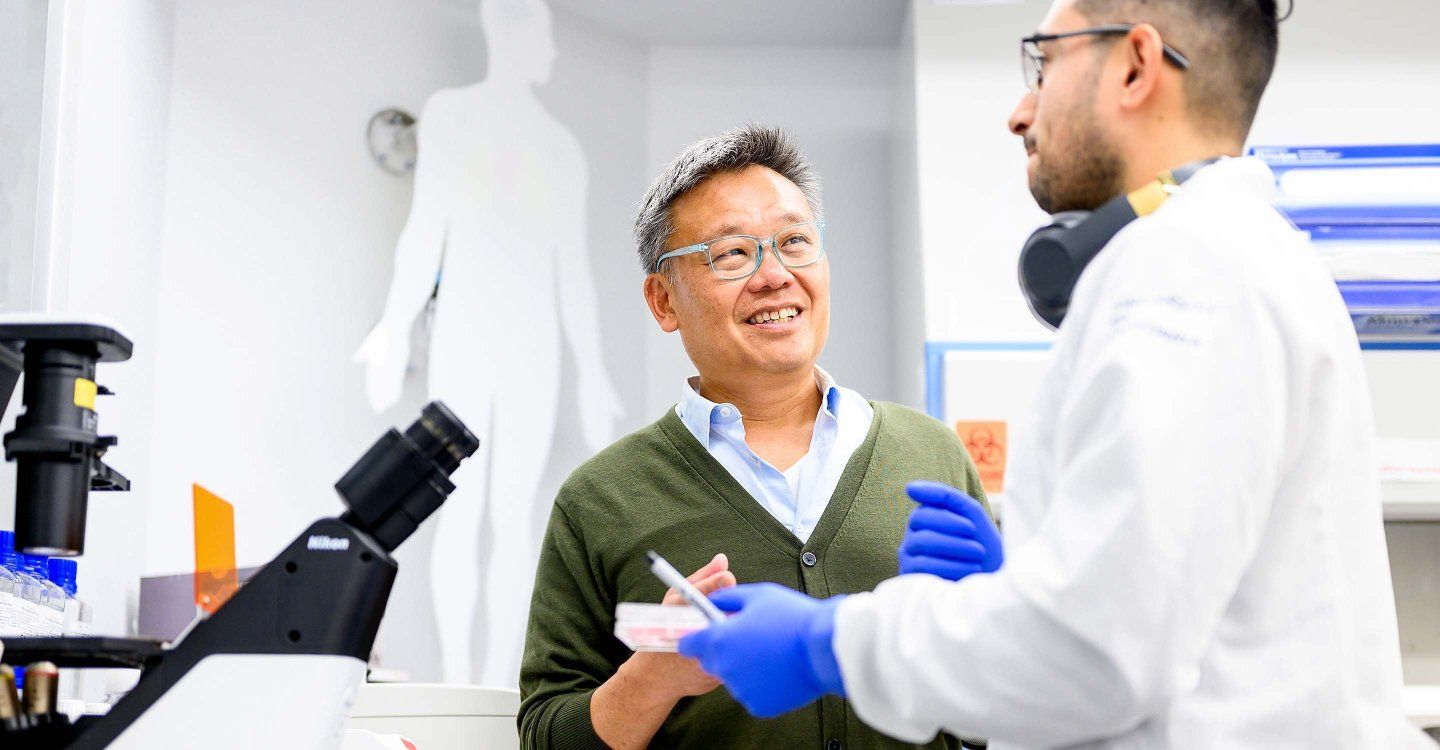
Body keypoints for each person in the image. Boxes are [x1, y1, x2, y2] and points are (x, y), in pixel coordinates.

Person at [679, 2, 1431, 748]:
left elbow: (1096, 652)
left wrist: (829, 641)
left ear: (1136, 66)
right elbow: (1157, 613)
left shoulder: (1183, 265)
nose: (1019, 112)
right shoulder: (1236, 255)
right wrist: (1028, 583)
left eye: (1044, 63)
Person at [517, 124, 994, 749]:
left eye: (795, 241)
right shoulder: (600, 500)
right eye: (733, 254)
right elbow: (545, 738)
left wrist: (987, 629)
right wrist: (654, 677)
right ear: (664, 301)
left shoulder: (932, 457)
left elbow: (1011, 698)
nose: (775, 275)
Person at [353, 0, 622, 685]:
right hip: (465, 339)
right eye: (546, 39)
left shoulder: (561, 146)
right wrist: (393, 326)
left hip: (533, 351)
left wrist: (593, 375)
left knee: (514, 518)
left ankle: (499, 683)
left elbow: (575, 272)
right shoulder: (452, 115)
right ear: (513, 36)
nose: (556, 55)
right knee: (460, 510)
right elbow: (426, 230)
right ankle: (456, 674)